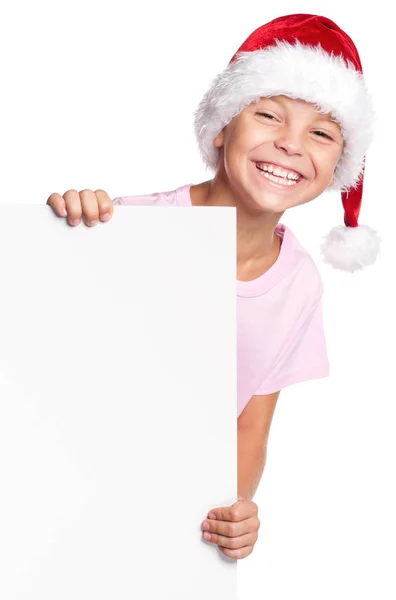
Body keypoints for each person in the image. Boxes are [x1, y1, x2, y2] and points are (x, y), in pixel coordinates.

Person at [47, 14, 380, 560]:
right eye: (269, 115)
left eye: (321, 133)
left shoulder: (298, 282)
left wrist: (233, 510)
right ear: (223, 126)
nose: (291, 145)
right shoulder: (124, 229)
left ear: (338, 166)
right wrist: (63, 231)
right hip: (69, 501)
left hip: (165, 535)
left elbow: (249, 428)